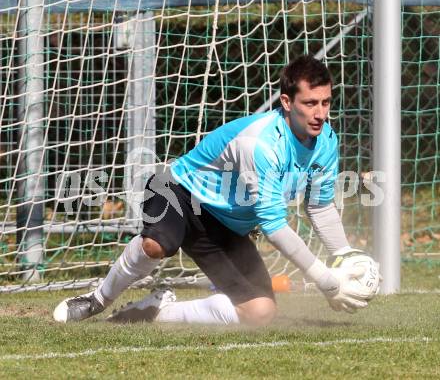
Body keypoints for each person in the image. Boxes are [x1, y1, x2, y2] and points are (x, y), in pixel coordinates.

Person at [53, 55, 371, 326]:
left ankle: (155, 311)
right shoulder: (259, 143)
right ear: (287, 102)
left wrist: (344, 255)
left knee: (260, 313)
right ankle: (98, 299)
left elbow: (320, 205)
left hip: (225, 227)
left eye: (326, 102)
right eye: (310, 103)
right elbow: (273, 226)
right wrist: (327, 281)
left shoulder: (326, 141)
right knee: (155, 245)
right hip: (178, 193)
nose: (319, 113)